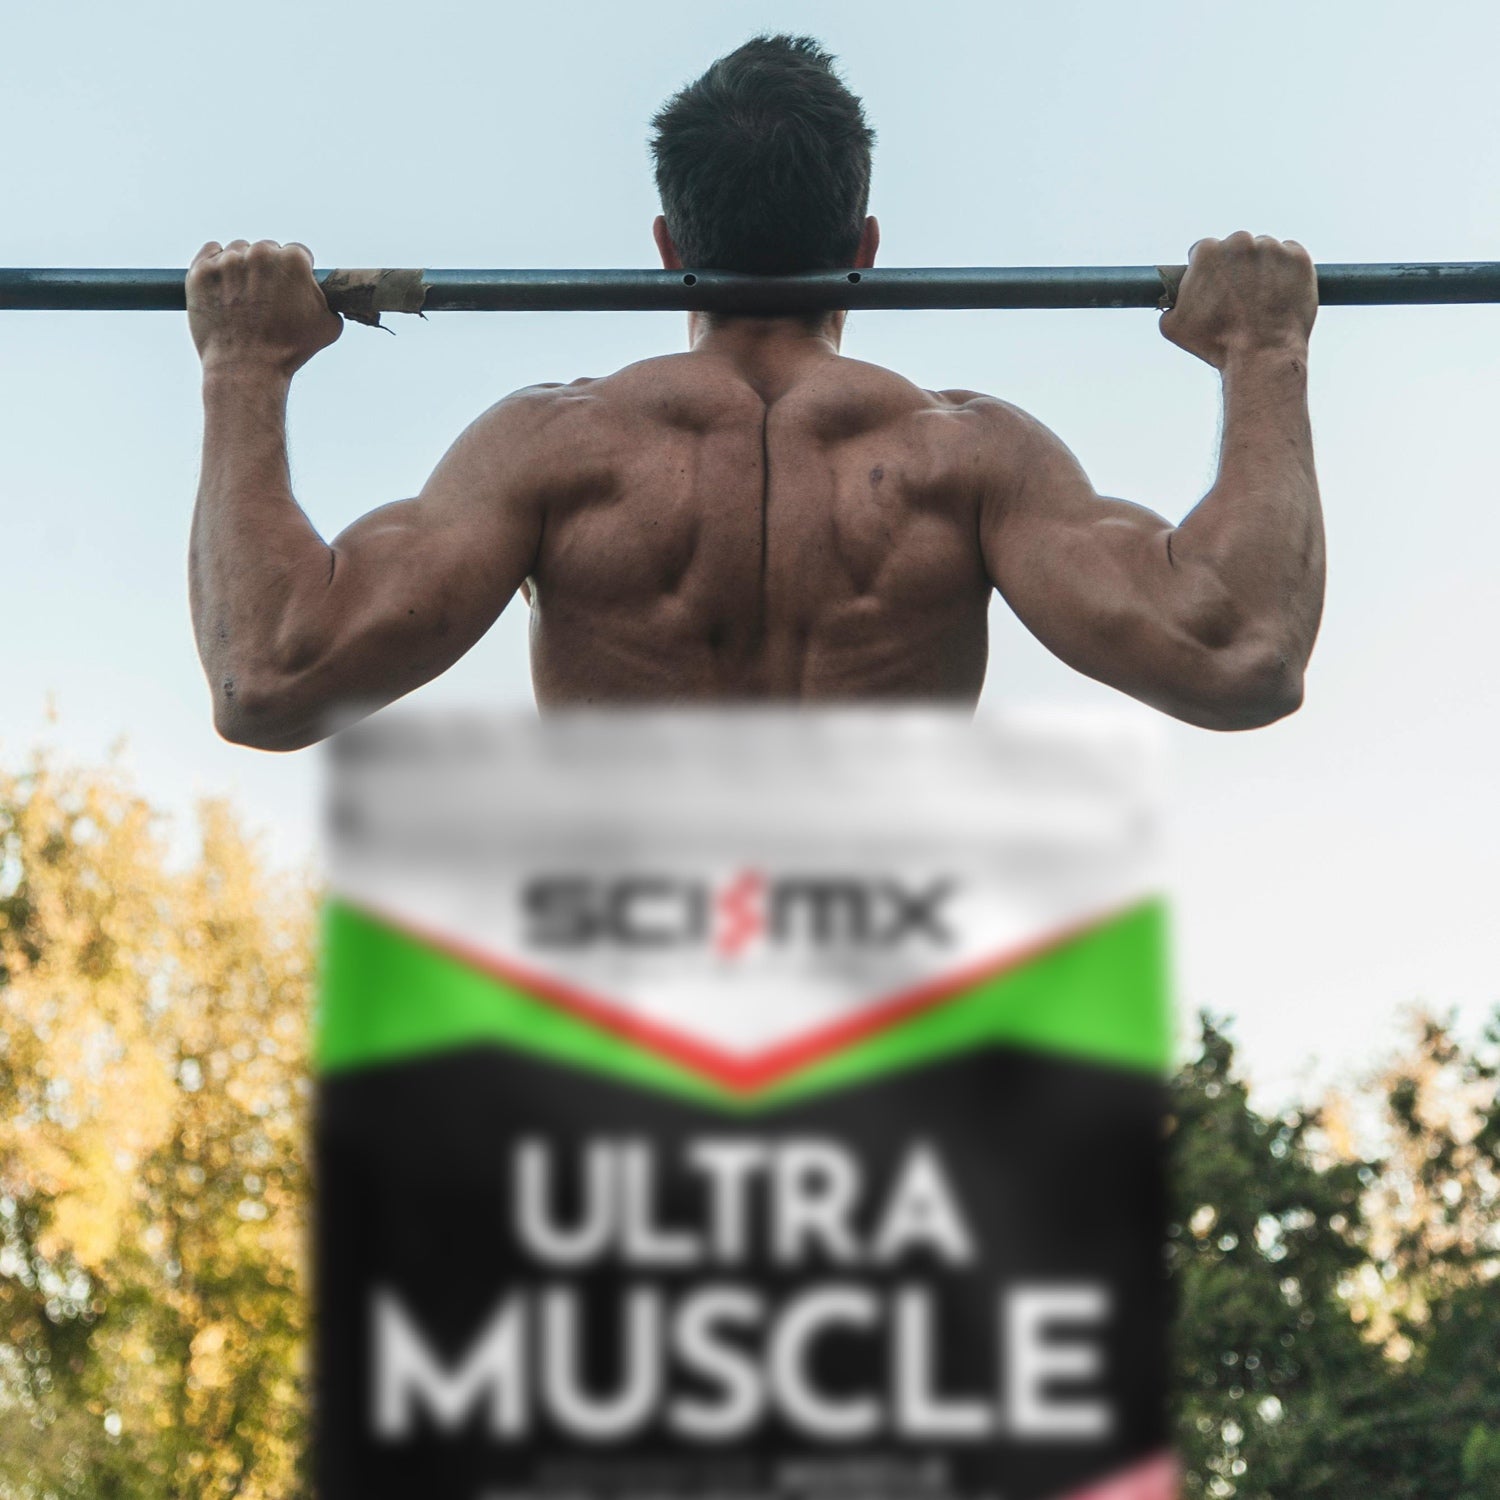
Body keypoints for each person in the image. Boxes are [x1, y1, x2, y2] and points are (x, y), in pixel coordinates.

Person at [186, 31, 1323, 757]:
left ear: (672, 243)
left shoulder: (549, 451)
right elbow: (1241, 654)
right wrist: (1262, 349)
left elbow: (271, 675)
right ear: (864, 246)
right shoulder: (972, 463)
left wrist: (245, 368)